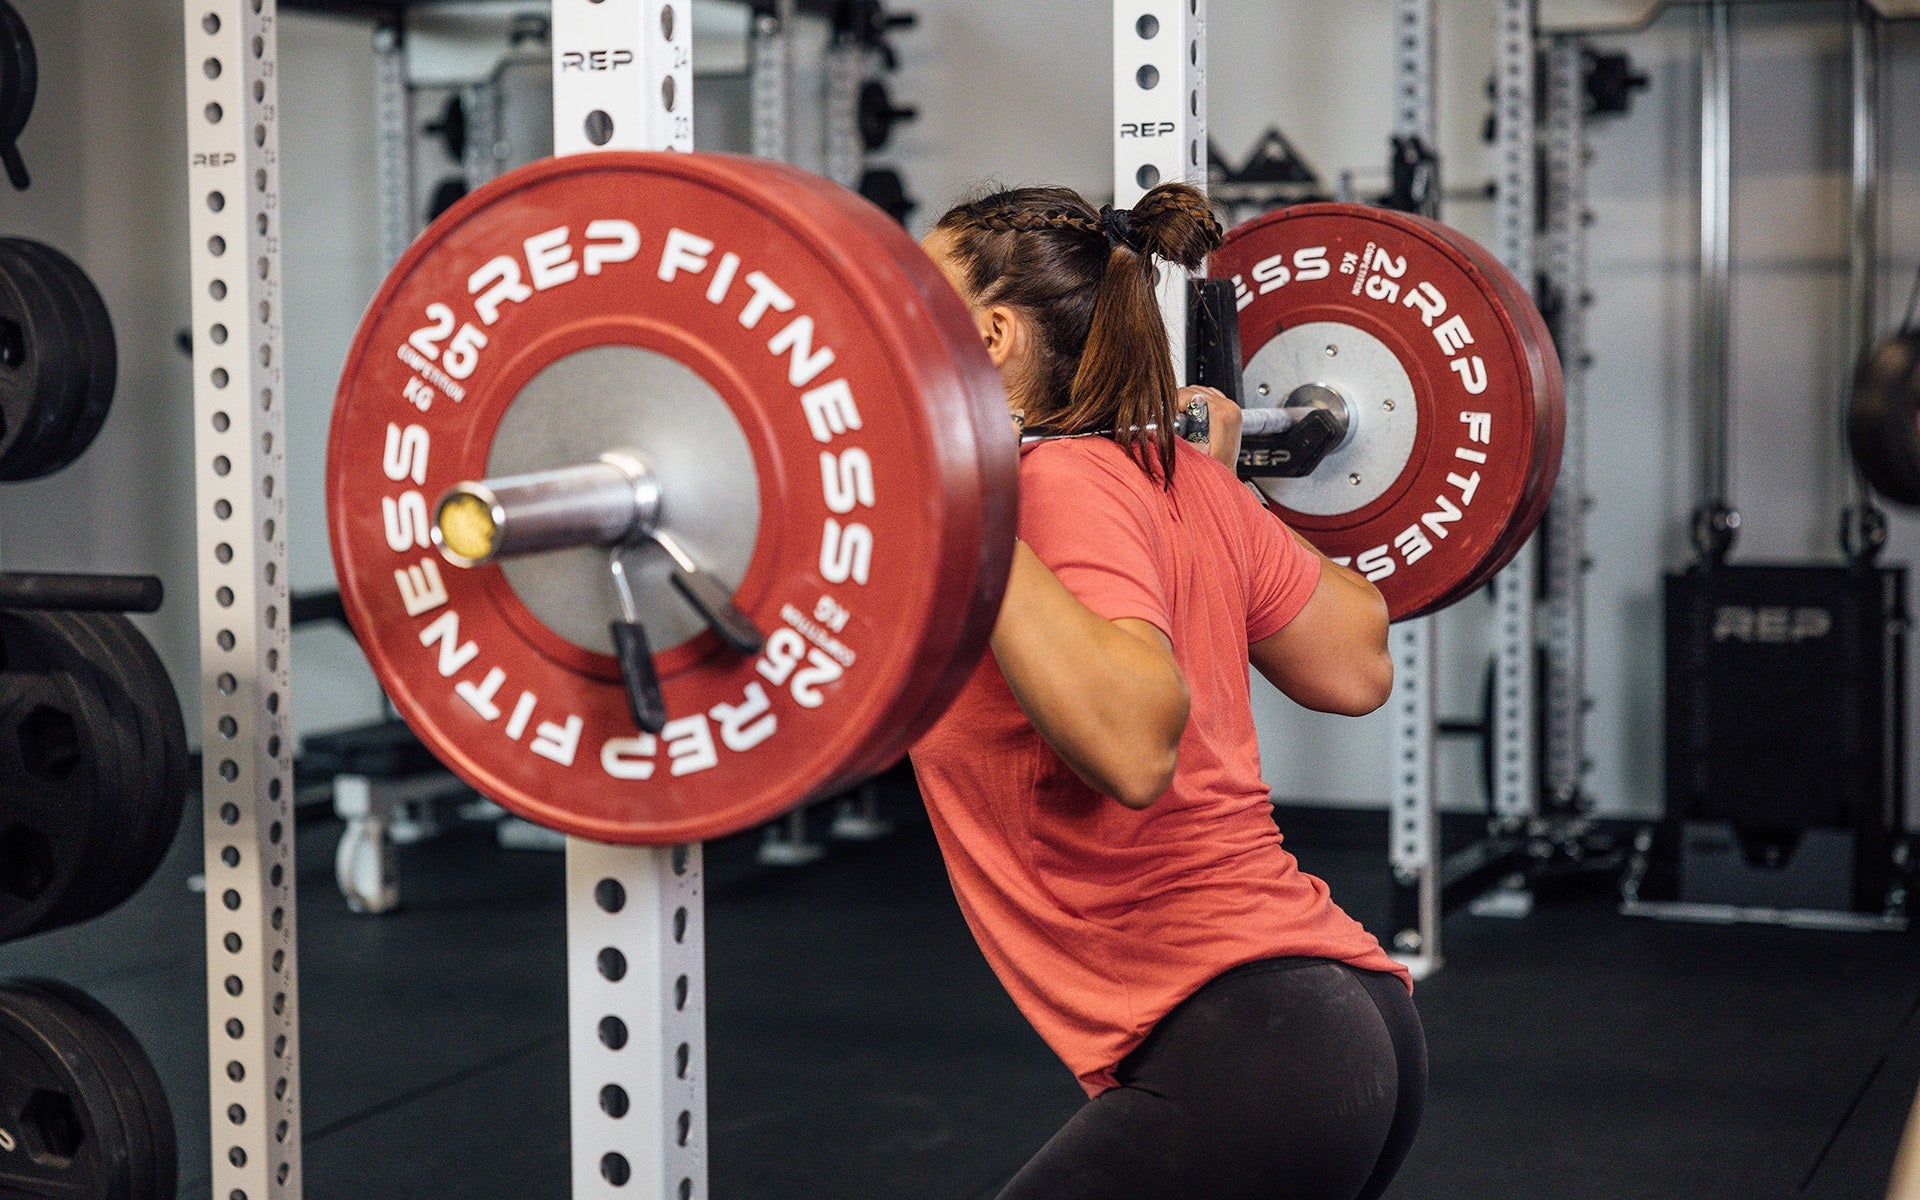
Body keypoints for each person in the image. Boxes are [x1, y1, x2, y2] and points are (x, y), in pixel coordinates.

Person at [909, 182, 1426, 1200]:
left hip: (1258, 1052)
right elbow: (1354, 659)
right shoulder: (1173, 476)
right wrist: (1221, 494)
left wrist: (971, 496)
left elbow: (1138, 744)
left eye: (914, 304)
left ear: (994, 333)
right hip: (1348, 1022)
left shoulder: (1043, 488)